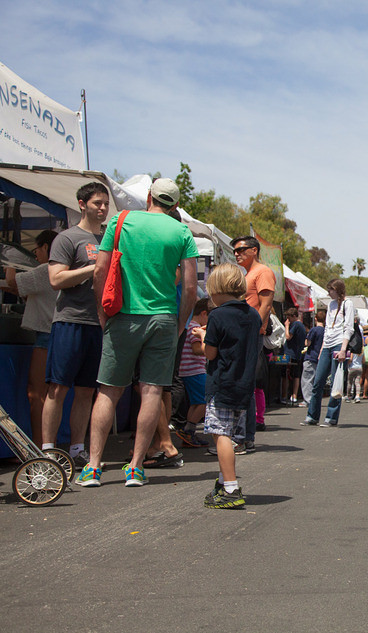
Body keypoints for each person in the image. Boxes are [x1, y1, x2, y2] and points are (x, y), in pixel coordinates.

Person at [79, 178, 198, 487]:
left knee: (108, 390)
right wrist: (181, 323)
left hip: (123, 316)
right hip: (163, 318)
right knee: (152, 391)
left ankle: (92, 467)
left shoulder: (121, 220)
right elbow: (189, 287)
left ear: (148, 197)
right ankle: (135, 467)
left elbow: (99, 272)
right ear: (174, 206)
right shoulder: (182, 231)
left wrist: (102, 312)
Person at [42, 182, 110, 465]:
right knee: (58, 388)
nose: (103, 208)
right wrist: (94, 268)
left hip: (100, 325)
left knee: (86, 391)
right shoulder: (67, 239)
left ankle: (76, 449)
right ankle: (47, 451)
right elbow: (56, 279)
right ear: (82, 204)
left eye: (105, 203)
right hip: (70, 321)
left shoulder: (110, 239)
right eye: (97, 203)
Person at [192, 263, 262, 509]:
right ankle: (224, 483)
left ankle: (231, 488)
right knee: (228, 432)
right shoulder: (253, 315)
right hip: (243, 384)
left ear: (216, 288)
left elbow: (210, 354)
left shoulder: (218, 315)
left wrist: (202, 338)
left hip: (221, 383)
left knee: (220, 434)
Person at [3, 229, 58, 444]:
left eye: (37, 250)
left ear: (45, 247)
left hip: (45, 335)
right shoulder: (62, 269)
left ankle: (39, 444)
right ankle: (48, 444)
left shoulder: (46, 269)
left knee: (37, 393)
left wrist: (10, 260)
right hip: (57, 334)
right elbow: (23, 291)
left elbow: (11, 282)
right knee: (53, 392)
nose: (35, 255)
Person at [232, 235, 276, 445]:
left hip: (252, 334)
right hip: (242, 333)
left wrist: (254, 329)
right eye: (235, 251)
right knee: (242, 385)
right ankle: (243, 436)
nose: (237, 254)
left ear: (254, 250)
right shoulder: (248, 274)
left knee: (244, 385)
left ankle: (244, 437)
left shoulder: (263, 272)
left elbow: (265, 305)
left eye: (241, 250)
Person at [302, 278, 354, 427]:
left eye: (331, 289)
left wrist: (343, 349)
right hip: (327, 345)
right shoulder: (330, 305)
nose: (329, 292)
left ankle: (331, 417)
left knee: (335, 383)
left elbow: (349, 327)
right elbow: (327, 329)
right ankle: (312, 416)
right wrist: (322, 348)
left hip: (339, 343)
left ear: (338, 289)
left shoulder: (347, 304)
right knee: (317, 381)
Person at [176, 297, 211, 449]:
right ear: (204, 313)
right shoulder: (196, 328)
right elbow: (197, 350)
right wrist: (207, 344)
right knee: (206, 401)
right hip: (194, 370)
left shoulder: (189, 326)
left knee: (197, 402)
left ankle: (189, 432)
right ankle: (189, 429)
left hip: (189, 370)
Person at [281, 307, 308, 406]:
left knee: (286, 375)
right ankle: (294, 395)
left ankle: (284, 396)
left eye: (289, 318)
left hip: (290, 353)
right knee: (296, 375)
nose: (288, 320)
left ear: (293, 316)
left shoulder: (295, 324)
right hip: (297, 354)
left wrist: (286, 326)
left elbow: (288, 337)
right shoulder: (301, 325)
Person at [301, 311, 325, 406]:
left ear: (315, 318)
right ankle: (315, 399)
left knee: (307, 379)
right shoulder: (325, 331)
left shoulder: (314, 330)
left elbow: (308, 343)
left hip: (311, 356)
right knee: (316, 380)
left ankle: (308, 400)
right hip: (320, 357)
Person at [345, 315, 364, 401]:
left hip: (352, 367)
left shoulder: (353, 350)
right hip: (359, 367)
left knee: (350, 382)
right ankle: (357, 396)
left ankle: (348, 396)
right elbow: (364, 361)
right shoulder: (361, 350)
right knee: (357, 383)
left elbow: (350, 359)